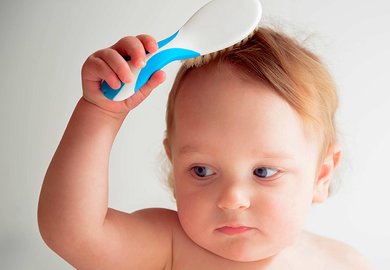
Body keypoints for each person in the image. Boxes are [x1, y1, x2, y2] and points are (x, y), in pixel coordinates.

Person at [38, 26, 370, 269]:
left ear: (322, 175)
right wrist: (101, 112)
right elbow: (72, 232)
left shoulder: (343, 262)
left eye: (264, 172)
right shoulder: (168, 248)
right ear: (173, 166)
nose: (232, 199)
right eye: (202, 170)